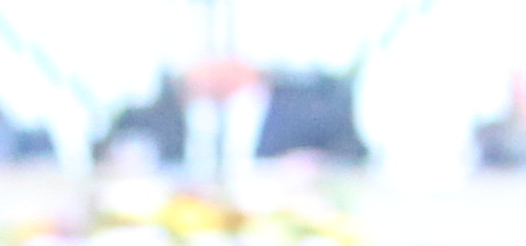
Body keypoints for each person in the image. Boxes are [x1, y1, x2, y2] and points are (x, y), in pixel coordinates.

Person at [95, 55, 369, 179]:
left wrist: (318, 165)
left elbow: (354, 155)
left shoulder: (310, 112)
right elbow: (107, 148)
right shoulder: (157, 112)